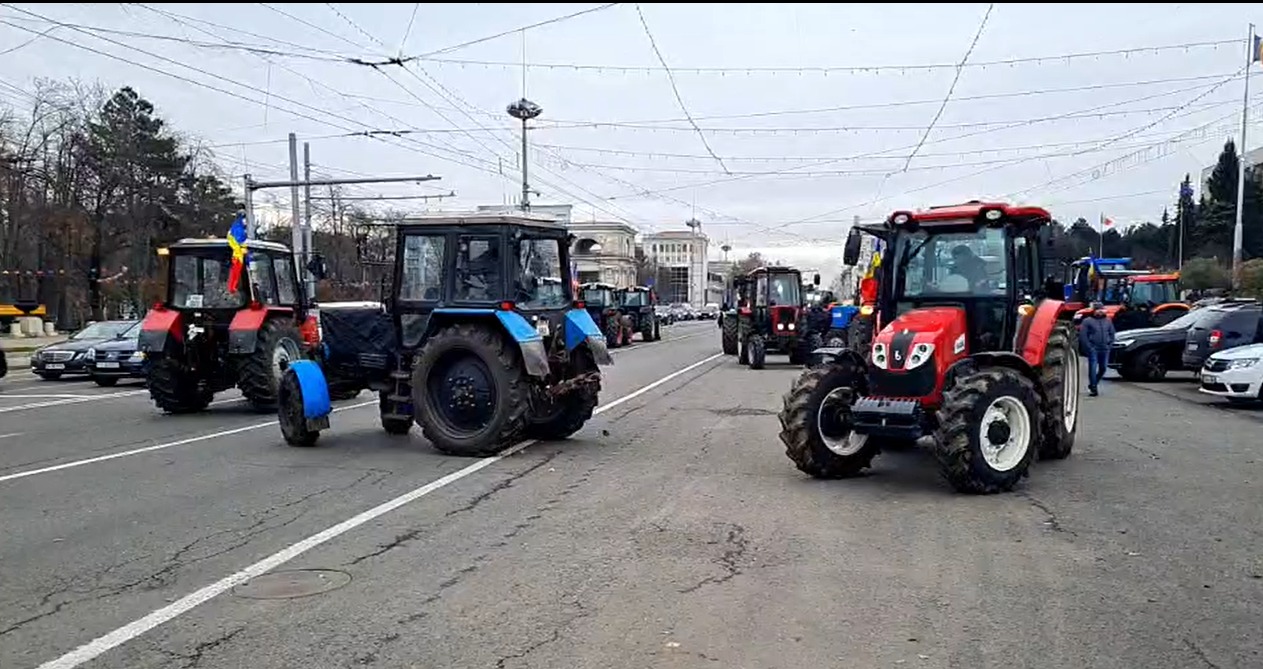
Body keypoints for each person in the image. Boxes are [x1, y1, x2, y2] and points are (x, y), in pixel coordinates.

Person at [1079, 301, 1115, 396]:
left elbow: (1112, 333)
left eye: (1101, 310)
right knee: (1093, 367)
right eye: (1097, 310)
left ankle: (1093, 383)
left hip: (1105, 348)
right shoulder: (1087, 321)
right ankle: (1094, 388)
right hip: (1093, 348)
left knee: (1103, 368)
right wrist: (1089, 347)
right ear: (1094, 311)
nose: (1100, 312)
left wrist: (1109, 344)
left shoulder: (1108, 321)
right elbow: (1083, 336)